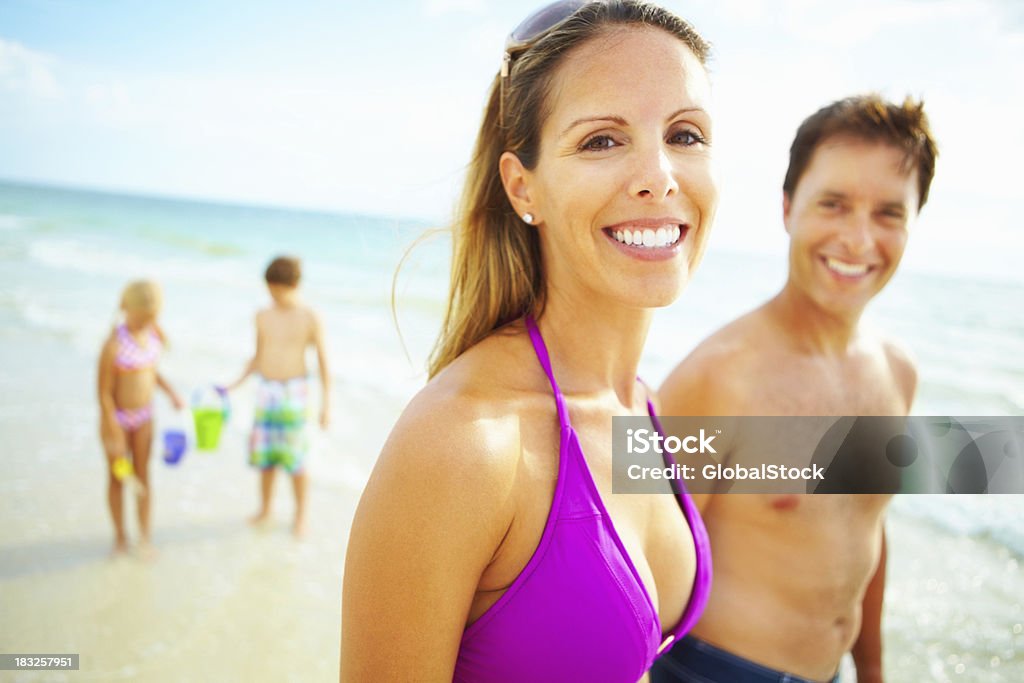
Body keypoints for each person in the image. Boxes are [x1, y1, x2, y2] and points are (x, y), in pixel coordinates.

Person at [341, 1, 718, 680]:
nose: (660, 173)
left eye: (686, 134)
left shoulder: (643, 410)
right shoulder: (466, 441)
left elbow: (827, 485)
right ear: (523, 187)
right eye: (603, 140)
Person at [652, 94, 938, 683]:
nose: (859, 239)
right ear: (788, 208)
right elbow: (637, 584)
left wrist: (874, 670)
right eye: (833, 204)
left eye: (888, 213)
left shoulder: (897, 371)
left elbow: (866, 530)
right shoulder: (717, 376)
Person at [226, 255, 330, 538]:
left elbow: (322, 361)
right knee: (266, 457)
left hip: (294, 392)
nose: (273, 295)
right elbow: (257, 356)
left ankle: (300, 516)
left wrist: (326, 405)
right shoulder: (262, 315)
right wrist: (234, 384)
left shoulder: (309, 317)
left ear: (293, 285)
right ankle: (265, 509)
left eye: (277, 289)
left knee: (296, 460)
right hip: (266, 390)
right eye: (269, 289)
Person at [97, 280, 185, 557]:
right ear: (127, 309)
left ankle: (144, 537)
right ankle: (120, 537)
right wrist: (112, 425)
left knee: (143, 476)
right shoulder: (113, 345)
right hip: (117, 419)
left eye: (152, 317)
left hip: (145, 417)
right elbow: (103, 393)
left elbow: (151, 373)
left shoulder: (153, 336)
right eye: (143, 317)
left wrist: (172, 393)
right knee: (118, 477)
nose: (147, 322)